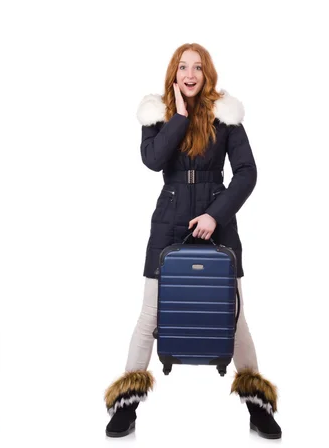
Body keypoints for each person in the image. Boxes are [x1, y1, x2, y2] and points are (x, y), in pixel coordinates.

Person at [103, 43, 282, 439]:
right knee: (150, 316)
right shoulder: (157, 113)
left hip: (219, 221)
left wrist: (215, 215)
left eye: (197, 67)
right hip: (168, 221)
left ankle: (258, 406)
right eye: (182, 67)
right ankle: (126, 407)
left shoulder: (226, 115)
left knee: (234, 318)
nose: (190, 74)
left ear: (206, 74)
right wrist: (180, 117)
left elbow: (247, 173)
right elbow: (153, 160)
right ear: (173, 73)